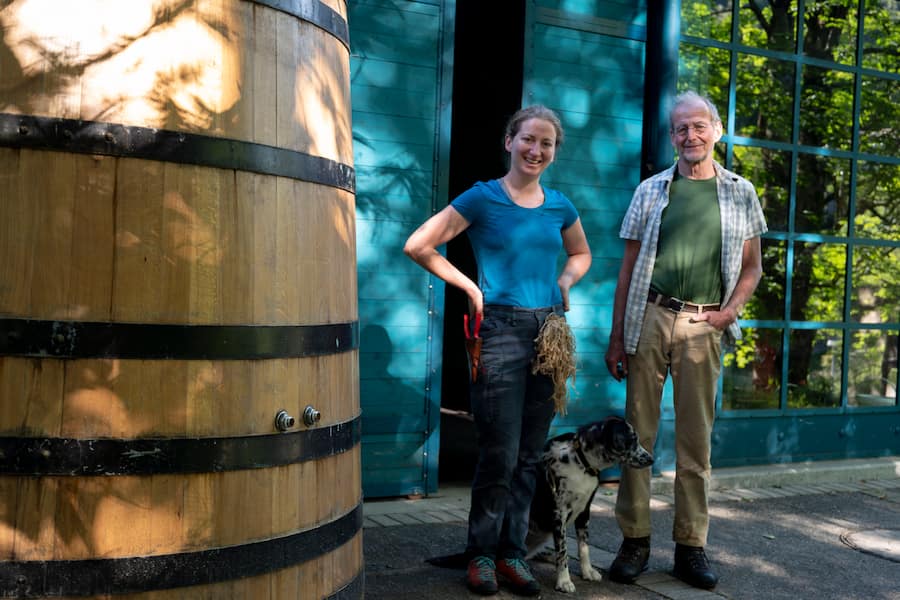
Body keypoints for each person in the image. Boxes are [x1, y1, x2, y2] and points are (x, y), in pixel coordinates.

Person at [404, 105, 591, 596]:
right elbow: (419, 244)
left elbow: (581, 252)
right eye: (528, 139)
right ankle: (481, 554)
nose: (536, 150)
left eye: (546, 143)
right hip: (501, 331)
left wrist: (566, 282)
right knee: (499, 453)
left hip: (550, 334)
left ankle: (513, 555)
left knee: (530, 454)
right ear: (509, 141)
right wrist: (471, 288)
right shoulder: (483, 198)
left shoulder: (560, 205)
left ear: (553, 152)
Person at [604, 90, 767, 590]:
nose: (690, 136)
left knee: (696, 442)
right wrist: (616, 339)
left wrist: (727, 314)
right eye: (681, 129)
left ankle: (691, 547)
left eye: (699, 127)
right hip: (650, 317)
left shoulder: (742, 191)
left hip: (704, 327)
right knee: (637, 436)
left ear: (716, 131)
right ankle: (635, 542)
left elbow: (752, 268)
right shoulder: (651, 190)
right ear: (672, 135)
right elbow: (628, 268)